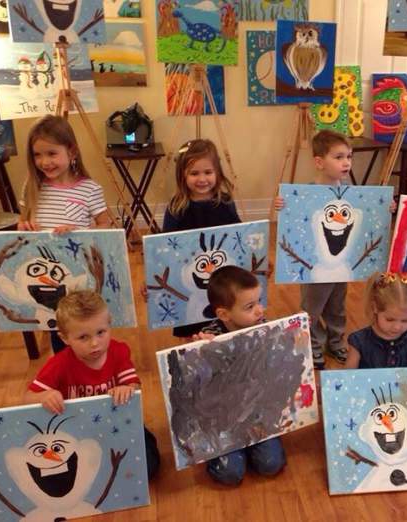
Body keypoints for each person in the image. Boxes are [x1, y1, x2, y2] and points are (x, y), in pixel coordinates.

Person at [23, 290, 160, 480]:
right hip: (78, 432)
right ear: (64, 338)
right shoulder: (59, 364)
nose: (95, 343)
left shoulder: (118, 351)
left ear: (109, 325)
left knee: (150, 466)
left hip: (118, 424)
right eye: (83, 337)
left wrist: (127, 388)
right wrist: (44, 396)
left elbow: (134, 386)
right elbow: (27, 397)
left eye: (101, 332)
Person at [17, 115, 111, 353]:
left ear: (72, 151)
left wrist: (79, 232)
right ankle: (65, 367)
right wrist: (24, 226)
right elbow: (23, 222)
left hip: (79, 275)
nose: (44, 162)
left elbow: (106, 226)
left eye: (51, 153)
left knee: (84, 327)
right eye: (37, 155)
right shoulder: (32, 186)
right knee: (59, 330)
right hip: (46, 277)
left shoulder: (89, 189)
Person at [196, 266, 286, 486]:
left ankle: (251, 447)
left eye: (259, 301)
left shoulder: (264, 327)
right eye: (250, 306)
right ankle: (226, 452)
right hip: (224, 419)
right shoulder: (210, 338)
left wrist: (296, 332)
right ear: (224, 314)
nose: (259, 310)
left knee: (271, 464)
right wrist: (201, 352)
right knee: (230, 473)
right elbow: (200, 386)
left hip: (257, 413)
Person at [274, 130, 353, 369]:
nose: (346, 162)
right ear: (319, 162)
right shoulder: (304, 194)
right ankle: (314, 342)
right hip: (313, 264)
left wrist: (386, 207)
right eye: (338, 157)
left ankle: (336, 340)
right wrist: (283, 205)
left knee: (337, 304)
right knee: (313, 306)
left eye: (349, 156)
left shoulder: (353, 195)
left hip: (341, 262)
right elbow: (295, 221)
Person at [155, 138, 240, 338]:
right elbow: (164, 249)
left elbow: (239, 238)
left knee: (224, 328)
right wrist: (154, 278)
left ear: (217, 172)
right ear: (182, 175)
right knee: (190, 332)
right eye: (194, 173)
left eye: (208, 172)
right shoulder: (176, 208)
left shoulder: (225, 202)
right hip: (188, 285)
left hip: (222, 283)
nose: (202, 179)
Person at [345, 271, 407, 369]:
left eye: (405, 320)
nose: (397, 327)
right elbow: (348, 375)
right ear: (375, 307)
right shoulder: (359, 342)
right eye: (390, 319)